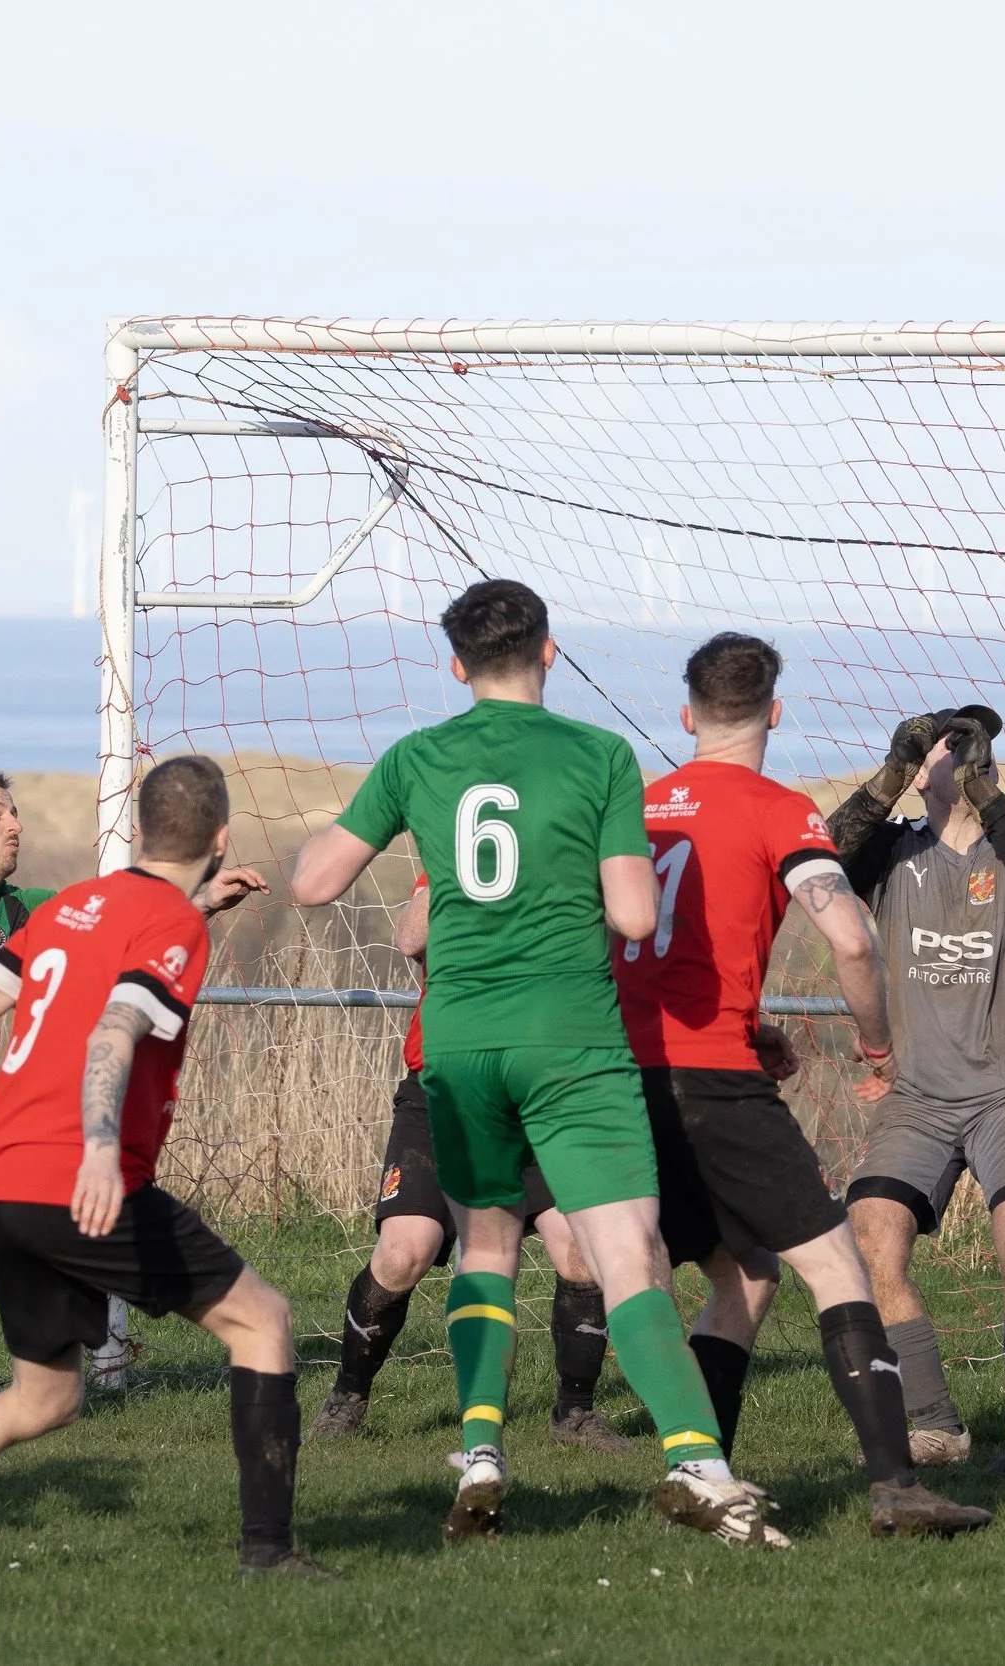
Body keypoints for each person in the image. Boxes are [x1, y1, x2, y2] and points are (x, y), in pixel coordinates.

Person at [292, 579, 787, 1550]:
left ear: (454, 665)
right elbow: (638, 916)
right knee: (622, 1253)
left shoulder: (416, 757)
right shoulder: (598, 756)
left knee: (483, 1243)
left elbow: (313, 881)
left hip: (463, 1041)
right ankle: (698, 1463)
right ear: (549, 653)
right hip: (573, 1040)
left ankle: (480, 1451)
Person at [0, 756, 331, 1580]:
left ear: (141, 830)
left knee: (44, 1399)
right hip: (76, 1180)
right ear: (220, 839)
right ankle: (269, 1555)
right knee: (263, 1321)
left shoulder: (74, 905)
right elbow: (115, 1030)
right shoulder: (172, 926)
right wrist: (104, 1151)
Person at [617, 633, 994, 1538]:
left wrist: (750, 1025)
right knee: (834, 1265)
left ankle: (701, 1478)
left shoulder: (632, 808)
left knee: (741, 1276)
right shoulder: (781, 810)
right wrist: (875, 1046)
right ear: (775, 713)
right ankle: (898, 1488)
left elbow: (631, 948)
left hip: (627, 1077)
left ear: (685, 715)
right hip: (715, 1085)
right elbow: (854, 940)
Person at [824, 705, 1005, 1473]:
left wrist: (985, 790)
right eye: (943, 741)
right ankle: (933, 1420)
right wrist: (892, 776)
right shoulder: (893, 855)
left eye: (971, 743)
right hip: (919, 1094)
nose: (956, 753)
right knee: (869, 1235)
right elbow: (827, 856)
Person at [316, 874, 630, 1451]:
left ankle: (575, 1413)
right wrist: (447, 858)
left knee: (583, 1254)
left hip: (541, 1097)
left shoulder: (570, 861)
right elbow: (411, 940)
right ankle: (347, 1396)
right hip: (442, 1093)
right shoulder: (463, 849)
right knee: (402, 1254)